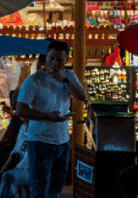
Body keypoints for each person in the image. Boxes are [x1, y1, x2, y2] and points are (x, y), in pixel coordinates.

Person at [16, 40, 87, 198]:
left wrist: (64, 80)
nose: (54, 63)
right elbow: (20, 109)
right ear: (45, 58)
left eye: (59, 60)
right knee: (39, 190)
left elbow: (82, 96)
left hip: (62, 142)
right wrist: (48, 116)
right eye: (51, 59)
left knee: (55, 189)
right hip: (40, 142)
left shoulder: (69, 76)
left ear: (66, 61)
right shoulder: (34, 81)